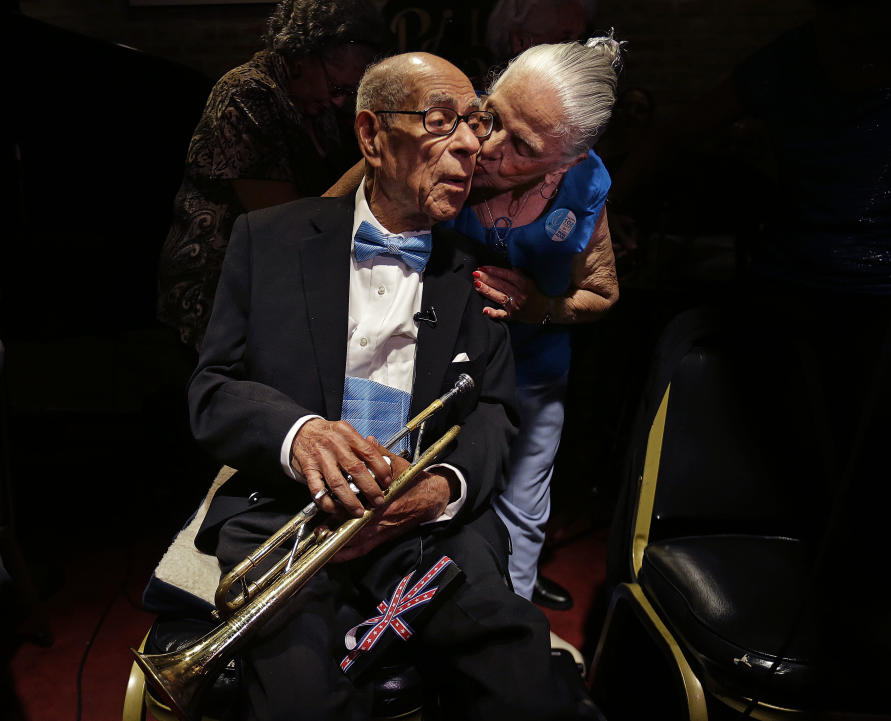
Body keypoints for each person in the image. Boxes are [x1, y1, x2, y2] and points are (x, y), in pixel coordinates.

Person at [188, 51, 593, 721]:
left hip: (427, 532)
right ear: (373, 136)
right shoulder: (267, 240)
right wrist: (300, 434)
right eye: (441, 121)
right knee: (298, 704)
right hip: (290, 520)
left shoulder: (481, 275)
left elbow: (494, 412)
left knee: (525, 685)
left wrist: (436, 490)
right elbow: (213, 390)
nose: (471, 144)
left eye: (477, 122)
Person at [449, 35, 622, 607]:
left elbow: (602, 293)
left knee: (521, 509)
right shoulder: (449, 121)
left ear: (568, 159)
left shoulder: (583, 185)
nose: (490, 146)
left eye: (523, 145)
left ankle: (510, 639)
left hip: (531, 376)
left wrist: (543, 308)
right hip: (436, 370)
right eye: (492, 115)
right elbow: (343, 210)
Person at [157, 0, 386, 351]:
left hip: (276, 281)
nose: (340, 102)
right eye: (336, 88)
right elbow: (289, 228)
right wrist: (377, 152)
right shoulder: (247, 95)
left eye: (348, 92)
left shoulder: (317, 106)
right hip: (216, 288)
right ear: (302, 57)